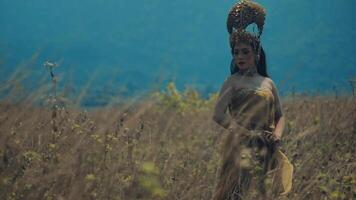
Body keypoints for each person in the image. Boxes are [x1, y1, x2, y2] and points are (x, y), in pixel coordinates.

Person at [212, 1, 288, 199]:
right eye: (236, 52)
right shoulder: (232, 82)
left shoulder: (268, 82)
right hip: (239, 145)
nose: (240, 56)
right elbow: (218, 114)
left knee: (264, 191)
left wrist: (277, 136)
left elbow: (280, 115)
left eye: (245, 51)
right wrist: (245, 133)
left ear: (255, 53)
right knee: (237, 192)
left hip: (266, 145)